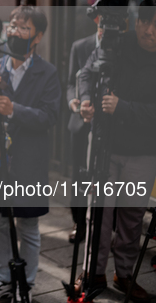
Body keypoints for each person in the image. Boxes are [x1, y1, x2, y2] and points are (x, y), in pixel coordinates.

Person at [76, 0, 156, 301]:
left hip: (144, 151)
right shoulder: (117, 43)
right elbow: (86, 73)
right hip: (106, 144)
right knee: (98, 215)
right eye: (144, 21)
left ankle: (124, 274)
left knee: (131, 218)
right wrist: (86, 99)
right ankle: (93, 271)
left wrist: (123, 107)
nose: (148, 30)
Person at [0, 6, 60, 302]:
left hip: (29, 159)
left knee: (29, 226)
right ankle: (1, 277)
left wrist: (13, 110)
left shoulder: (47, 72)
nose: (15, 32)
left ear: (38, 35)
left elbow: (49, 116)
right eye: (12, 25)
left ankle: (27, 284)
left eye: (23, 27)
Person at [66, 21, 102, 243]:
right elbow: (71, 82)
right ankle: (79, 223)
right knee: (79, 175)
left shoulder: (124, 46)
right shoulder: (80, 46)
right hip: (81, 120)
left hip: (109, 121)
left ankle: (105, 226)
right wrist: (73, 102)